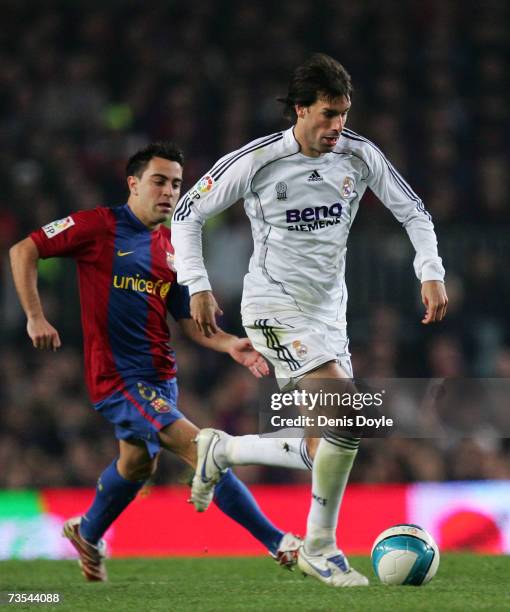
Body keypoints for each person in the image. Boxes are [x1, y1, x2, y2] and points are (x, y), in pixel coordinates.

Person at [171, 53, 448, 588]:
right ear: (300, 110)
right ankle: (319, 548)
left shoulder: (359, 156)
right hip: (271, 305)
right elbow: (188, 213)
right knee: (345, 415)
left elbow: (414, 212)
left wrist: (430, 272)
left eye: (343, 114)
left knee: (328, 442)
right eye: (327, 114)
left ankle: (221, 448)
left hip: (328, 315)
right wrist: (197, 284)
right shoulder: (258, 161)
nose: (337, 126)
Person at [9, 142, 302, 582]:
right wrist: (35, 316)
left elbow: (187, 320)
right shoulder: (98, 226)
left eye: (177, 184)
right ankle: (280, 542)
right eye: (159, 181)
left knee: (137, 465)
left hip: (161, 378)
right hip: (117, 378)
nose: (169, 191)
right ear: (133, 184)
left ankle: (87, 533)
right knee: (204, 451)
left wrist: (228, 345)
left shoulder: (174, 248)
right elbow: (23, 250)